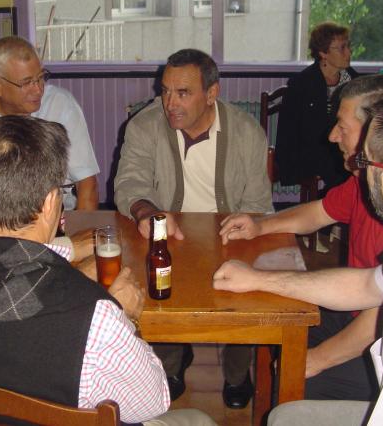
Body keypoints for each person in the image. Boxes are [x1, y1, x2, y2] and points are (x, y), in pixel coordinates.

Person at [0, 116, 215, 426]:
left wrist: (69, 264)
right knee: (200, 420)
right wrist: (126, 317)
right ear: (50, 203)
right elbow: (152, 402)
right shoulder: (95, 318)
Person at [214, 91, 383, 425]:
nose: (358, 170)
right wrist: (257, 279)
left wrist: (317, 360)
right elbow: (367, 285)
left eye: (365, 162)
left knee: (286, 417)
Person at [220, 74, 383, 402]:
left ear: (376, 133)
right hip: (355, 309)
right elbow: (318, 213)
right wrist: (260, 225)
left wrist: (317, 359)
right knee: (274, 321)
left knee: (295, 382)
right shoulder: (364, 180)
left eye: (342, 127)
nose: (332, 135)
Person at [114, 48, 272, 408]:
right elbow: (129, 182)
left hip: (229, 234)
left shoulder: (245, 131)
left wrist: (242, 229)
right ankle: (171, 363)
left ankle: (237, 373)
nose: (170, 103)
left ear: (212, 93)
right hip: (169, 232)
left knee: (247, 290)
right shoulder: (144, 125)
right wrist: (148, 212)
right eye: (165, 90)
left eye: (183, 93)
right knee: (154, 283)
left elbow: (257, 202)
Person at [0, 36, 99, 210]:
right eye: (27, 82)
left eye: (41, 77)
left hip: (54, 212)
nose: (38, 89)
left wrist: (79, 228)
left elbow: (87, 184)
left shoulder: (60, 105)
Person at [275, 22, 358, 189]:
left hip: (340, 145)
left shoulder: (353, 80)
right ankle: (336, 199)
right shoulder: (302, 83)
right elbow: (292, 132)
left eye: (348, 46)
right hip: (309, 150)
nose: (348, 52)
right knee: (339, 163)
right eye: (342, 48)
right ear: (323, 53)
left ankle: (342, 198)